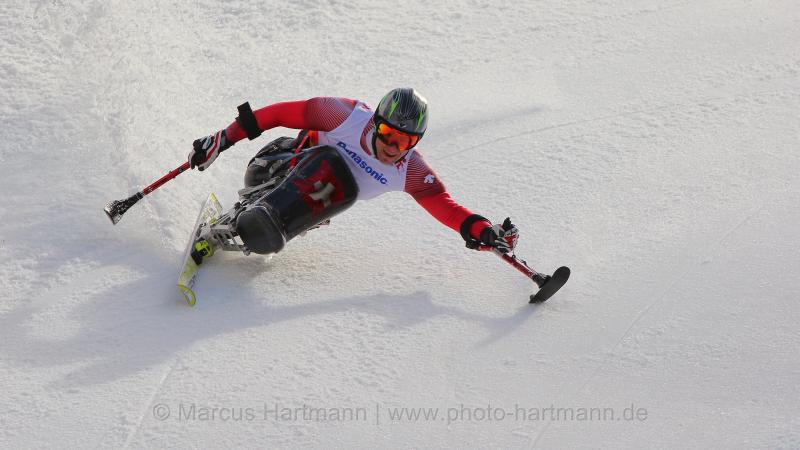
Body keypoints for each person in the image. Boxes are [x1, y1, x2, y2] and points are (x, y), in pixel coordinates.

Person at [186, 88, 518, 259]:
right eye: (388, 133)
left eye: (405, 141)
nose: (392, 146)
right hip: (272, 166)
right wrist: (223, 138)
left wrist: (483, 230)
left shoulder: (411, 171)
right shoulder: (341, 116)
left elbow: (443, 204)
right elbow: (278, 114)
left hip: (309, 206)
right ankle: (243, 221)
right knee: (330, 163)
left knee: (340, 187)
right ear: (375, 122)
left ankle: (265, 228)